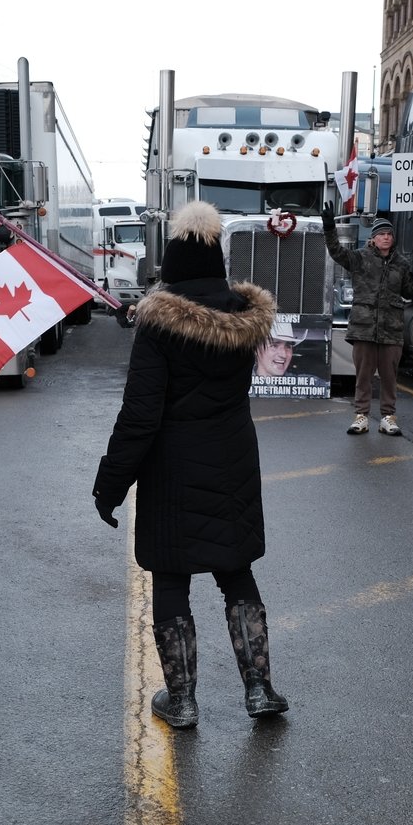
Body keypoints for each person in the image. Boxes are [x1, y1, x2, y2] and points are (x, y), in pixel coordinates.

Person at [93, 200, 289, 729]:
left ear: (171, 269)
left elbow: (140, 415)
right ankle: (260, 689)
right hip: (232, 461)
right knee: (236, 570)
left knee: (171, 576)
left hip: (172, 470)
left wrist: (109, 484)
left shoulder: (160, 327)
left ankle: (181, 701)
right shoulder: (242, 320)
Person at [323, 209, 413, 436]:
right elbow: (336, 252)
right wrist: (329, 228)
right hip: (364, 327)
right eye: (381, 234)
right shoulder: (360, 257)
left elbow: (408, 292)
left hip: (391, 329)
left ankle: (388, 417)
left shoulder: (402, 263)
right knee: (363, 375)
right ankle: (361, 416)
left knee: (389, 376)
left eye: (389, 234)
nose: (386, 237)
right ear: (373, 238)